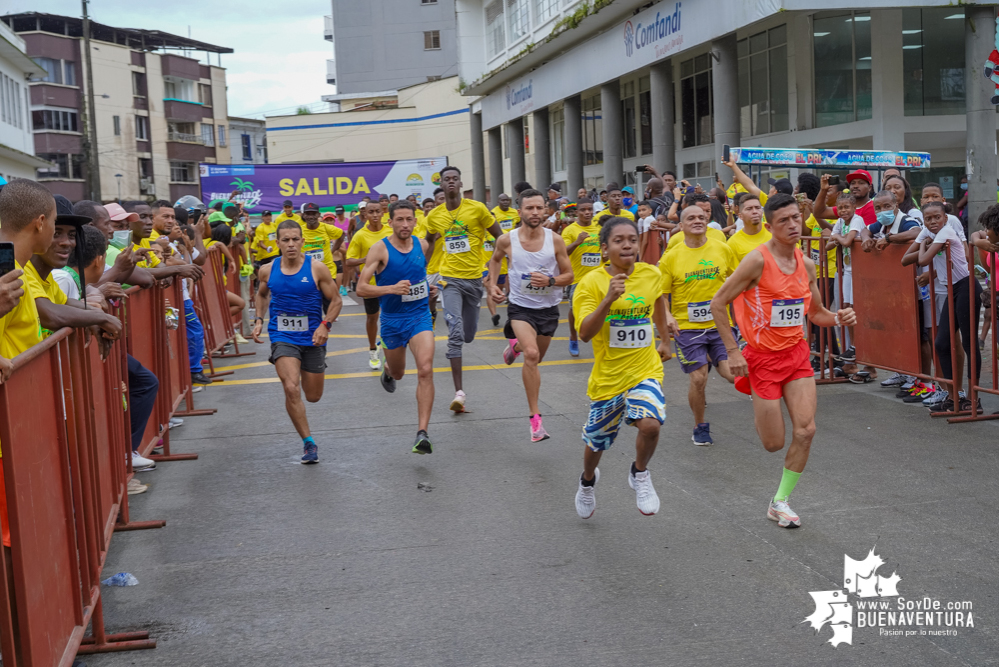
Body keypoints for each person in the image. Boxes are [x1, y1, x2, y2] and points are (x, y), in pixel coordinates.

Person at [709, 193, 856, 528]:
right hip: (760, 359)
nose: (792, 225)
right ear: (770, 227)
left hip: (796, 356)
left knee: (806, 430)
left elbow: (816, 314)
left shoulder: (805, 264)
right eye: (783, 221)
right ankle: (752, 391)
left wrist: (839, 318)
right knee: (773, 443)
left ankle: (780, 501)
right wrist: (733, 351)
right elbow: (719, 303)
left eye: (795, 218)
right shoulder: (756, 261)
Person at [572, 217, 675, 519]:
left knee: (651, 424)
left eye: (632, 238)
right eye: (619, 240)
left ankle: (640, 473)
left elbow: (657, 302)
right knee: (596, 443)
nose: (627, 244)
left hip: (645, 369)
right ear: (604, 249)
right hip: (608, 379)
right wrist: (607, 299)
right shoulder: (590, 283)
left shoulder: (650, 274)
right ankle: (587, 481)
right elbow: (585, 333)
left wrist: (665, 339)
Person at [251, 220, 342, 463]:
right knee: (291, 387)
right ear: (278, 243)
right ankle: (308, 443)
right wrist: (259, 319)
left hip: (313, 337)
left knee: (312, 396)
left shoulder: (317, 269)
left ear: (302, 241)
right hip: (283, 336)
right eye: (285, 240)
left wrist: (326, 325)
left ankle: (309, 364)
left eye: (295, 239)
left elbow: (336, 301)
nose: (291, 244)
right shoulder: (267, 270)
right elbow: (261, 295)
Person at [487, 189, 573, 441]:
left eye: (539, 208)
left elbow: (569, 275)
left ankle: (514, 348)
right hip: (520, 307)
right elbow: (494, 260)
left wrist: (551, 279)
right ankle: (535, 420)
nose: (534, 212)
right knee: (532, 355)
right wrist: (493, 284)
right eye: (529, 208)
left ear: (546, 210)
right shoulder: (507, 240)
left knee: (535, 357)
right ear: (519, 212)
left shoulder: (554, 240)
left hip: (548, 310)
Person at [356, 201, 437, 454]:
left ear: (415, 221)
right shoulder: (380, 249)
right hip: (392, 320)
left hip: (419, 316)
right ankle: (389, 371)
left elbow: (418, 278)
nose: (405, 225)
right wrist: (390, 288)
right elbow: (361, 288)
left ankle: (422, 433)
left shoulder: (422, 245)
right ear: (389, 222)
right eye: (399, 220)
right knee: (400, 373)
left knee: (425, 369)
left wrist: (427, 289)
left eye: (409, 219)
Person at [424, 166, 504, 412]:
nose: (450, 182)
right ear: (442, 184)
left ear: (460, 184)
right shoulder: (434, 216)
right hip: (450, 280)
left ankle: (458, 326)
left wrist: (492, 277)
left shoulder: (477, 209)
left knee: (468, 335)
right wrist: (419, 271)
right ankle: (459, 393)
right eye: (446, 179)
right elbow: (428, 241)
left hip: (474, 281)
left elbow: (500, 239)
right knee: (455, 334)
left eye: (454, 179)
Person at [660, 205, 737, 445]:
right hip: (687, 327)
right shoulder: (671, 257)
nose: (697, 221)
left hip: (720, 325)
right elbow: (660, 296)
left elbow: (738, 282)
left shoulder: (722, 249)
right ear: (680, 226)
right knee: (698, 378)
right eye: (691, 218)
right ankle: (700, 426)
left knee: (731, 375)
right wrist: (668, 316)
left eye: (702, 217)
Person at [902, 202, 982, 414]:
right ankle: (954, 397)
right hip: (951, 289)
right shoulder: (928, 233)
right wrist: (924, 243)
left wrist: (924, 246)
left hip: (966, 286)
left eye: (937, 217)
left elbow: (922, 259)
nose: (933, 222)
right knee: (941, 342)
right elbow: (904, 260)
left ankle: (974, 400)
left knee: (969, 342)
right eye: (928, 219)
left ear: (945, 218)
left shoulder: (946, 230)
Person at [346, 201, 392, 369]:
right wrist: (368, 259)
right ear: (365, 214)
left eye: (377, 211)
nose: (374, 215)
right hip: (370, 285)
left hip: (390, 284)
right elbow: (349, 260)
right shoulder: (360, 235)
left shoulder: (389, 231)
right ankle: (373, 349)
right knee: (372, 318)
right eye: (370, 211)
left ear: (382, 213)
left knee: (390, 318)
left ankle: (389, 350)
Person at [561, 197, 600, 357]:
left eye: (590, 209)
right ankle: (573, 337)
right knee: (574, 310)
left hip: (598, 278)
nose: (587, 212)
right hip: (577, 278)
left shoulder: (599, 228)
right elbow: (563, 252)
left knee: (603, 309)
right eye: (583, 210)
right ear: (577, 212)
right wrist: (577, 242)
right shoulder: (570, 230)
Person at [300, 202, 345, 308]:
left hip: (327, 271)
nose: (311, 216)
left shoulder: (326, 228)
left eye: (313, 213)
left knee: (329, 304)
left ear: (318, 215)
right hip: (308, 272)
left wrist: (333, 250)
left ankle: (327, 322)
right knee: (310, 305)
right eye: (308, 213)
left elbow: (342, 234)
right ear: (304, 215)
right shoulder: (299, 230)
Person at [726, 194, 771, 263]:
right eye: (749, 209)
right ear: (740, 216)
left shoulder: (774, 231)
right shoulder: (733, 243)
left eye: (758, 208)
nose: (755, 212)